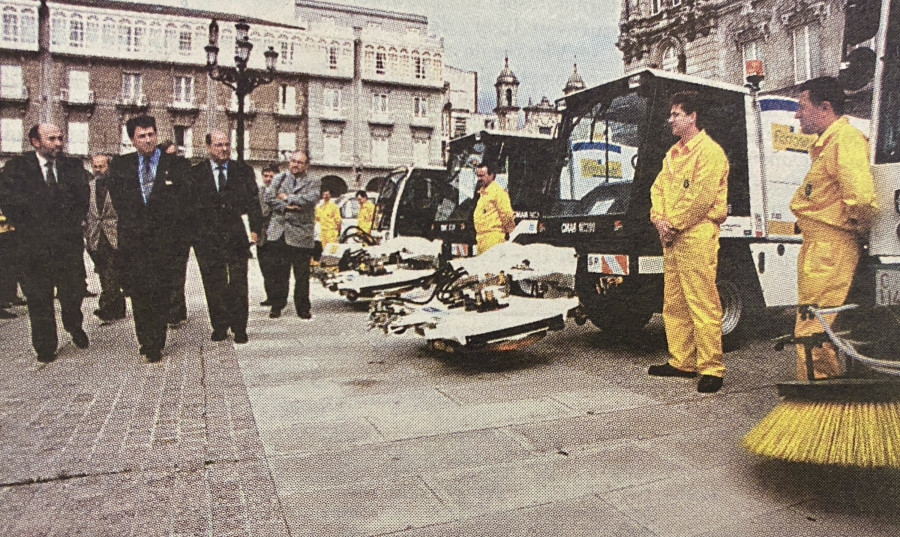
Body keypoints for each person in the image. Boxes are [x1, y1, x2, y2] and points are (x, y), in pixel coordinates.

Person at [791, 77, 878, 380]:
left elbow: (862, 199)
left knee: (813, 327)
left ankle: (820, 398)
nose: (797, 114)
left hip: (830, 248)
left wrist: (855, 231)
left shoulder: (846, 140)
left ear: (825, 107)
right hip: (821, 248)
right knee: (814, 324)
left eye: (802, 107)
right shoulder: (829, 143)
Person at [647, 91, 730, 394]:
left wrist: (673, 225)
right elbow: (657, 189)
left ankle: (712, 368)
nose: (670, 119)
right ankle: (682, 361)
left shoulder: (710, 153)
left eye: (676, 114)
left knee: (702, 302)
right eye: (671, 114)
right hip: (673, 236)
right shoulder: (673, 154)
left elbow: (701, 198)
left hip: (696, 234)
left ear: (693, 116)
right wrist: (659, 220)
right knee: (674, 301)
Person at [0, 124, 90, 362]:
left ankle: (73, 325)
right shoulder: (16, 169)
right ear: (35, 142)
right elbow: (8, 202)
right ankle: (45, 345)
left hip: (67, 245)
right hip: (32, 248)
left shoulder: (73, 167)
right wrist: (32, 227)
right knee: (39, 298)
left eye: (60, 138)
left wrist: (67, 226)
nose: (58, 143)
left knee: (72, 293)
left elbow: (82, 200)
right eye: (52, 138)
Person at [107, 116, 191, 362]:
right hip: (134, 242)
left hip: (165, 241)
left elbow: (182, 200)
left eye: (151, 134)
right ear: (132, 139)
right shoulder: (121, 165)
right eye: (141, 136)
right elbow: (120, 201)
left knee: (161, 291)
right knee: (140, 293)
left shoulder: (175, 164)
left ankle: (157, 339)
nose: (147, 140)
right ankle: (146, 339)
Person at [190, 131, 263, 344]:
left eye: (226, 144)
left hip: (236, 237)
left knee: (239, 283)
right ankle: (220, 326)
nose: (223, 149)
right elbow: (189, 208)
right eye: (218, 144)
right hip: (207, 239)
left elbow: (253, 203)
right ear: (208, 147)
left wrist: (255, 229)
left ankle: (240, 327)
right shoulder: (195, 174)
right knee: (214, 283)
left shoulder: (242, 171)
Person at [264, 150, 320, 319]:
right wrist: (286, 207)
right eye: (293, 161)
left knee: (301, 274)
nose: (295, 165)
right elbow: (268, 197)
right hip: (279, 232)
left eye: (300, 162)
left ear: (306, 165)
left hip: (301, 233)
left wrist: (288, 197)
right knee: (279, 273)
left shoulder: (313, 181)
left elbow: (311, 198)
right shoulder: (279, 178)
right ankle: (277, 305)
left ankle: (303, 307)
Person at [84, 153, 125, 323]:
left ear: (109, 167)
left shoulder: (117, 186)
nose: (98, 170)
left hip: (113, 234)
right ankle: (118, 306)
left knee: (110, 271)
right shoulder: (89, 187)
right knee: (103, 271)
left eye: (102, 166)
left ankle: (106, 307)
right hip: (94, 236)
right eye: (95, 166)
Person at [473, 162, 515, 254]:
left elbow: (507, 215)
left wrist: (509, 232)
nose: (479, 179)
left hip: (493, 239)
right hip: (481, 240)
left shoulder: (498, 193)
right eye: (478, 176)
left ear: (491, 175)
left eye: (482, 176)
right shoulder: (482, 193)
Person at [257, 163, 279, 306]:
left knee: (275, 268)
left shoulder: (280, 193)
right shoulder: (258, 192)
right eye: (266, 176)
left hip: (275, 235)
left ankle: (277, 297)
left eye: (272, 176)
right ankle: (270, 295)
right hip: (261, 236)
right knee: (264, 267)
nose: (269, 179)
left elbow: (264, 211)